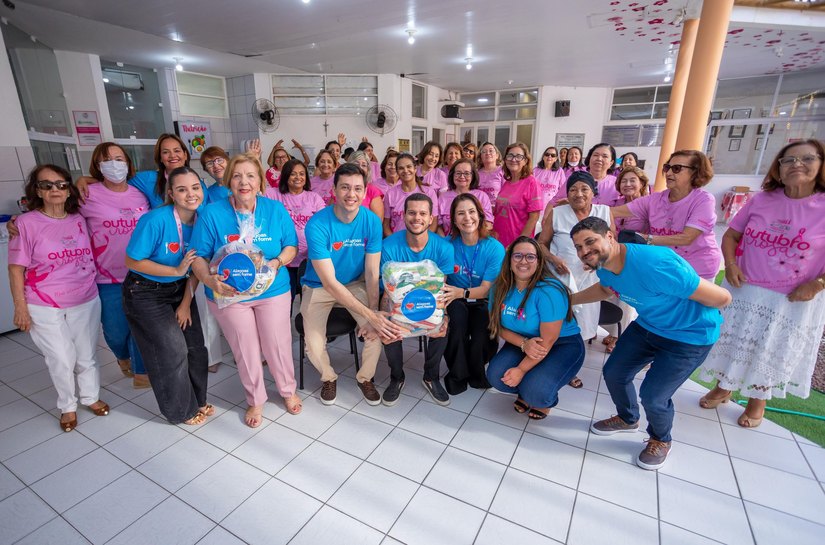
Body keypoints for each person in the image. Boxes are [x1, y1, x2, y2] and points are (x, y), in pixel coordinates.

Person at [570, 217, 731, 470]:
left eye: (590, 242)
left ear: (610, 236)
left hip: (690, 336)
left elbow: (723, 297)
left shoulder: (657, 264)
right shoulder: (603, 264)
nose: (584, 251)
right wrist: (570, 299)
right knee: (614, 372)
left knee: (654, 396)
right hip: (649, 326)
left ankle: (660, 439)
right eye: (578, 247)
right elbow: (606, 289)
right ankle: (627, 418)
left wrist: (694, 319)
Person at [698, 140, 825, 428]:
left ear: (821, 164)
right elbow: (731, 236)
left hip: (790, 296)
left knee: (769, 347)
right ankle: (724, 386)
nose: (797, 165)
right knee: (731, 338)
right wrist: (730, 265)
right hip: (746, 286)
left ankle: (758, 400)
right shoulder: (762, 199)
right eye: (788, 160)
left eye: (807, 158)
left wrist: (817, 284)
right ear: (778, 168)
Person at [190, 153, 299, 427]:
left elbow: (291, 246)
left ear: (260, 181)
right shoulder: (212, 213)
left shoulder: (274, 210)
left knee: (277, 343)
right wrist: (210, 281)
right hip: (228, 294)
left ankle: (287, 390)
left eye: (250, 175)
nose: (244, 182)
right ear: (229, 181)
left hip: (272, 289)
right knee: (245, 348)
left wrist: (275, 263)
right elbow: (199, 256)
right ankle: (255, 399)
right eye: (237, 176)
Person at [9, 165, 108, 432]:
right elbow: (16, 268)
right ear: (37, 191)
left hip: (85, 297)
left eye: (61, 184)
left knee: (86, 354)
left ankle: (90, 397)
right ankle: (67, 405)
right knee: (61, 358)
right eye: (47, 185)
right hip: (44, 303)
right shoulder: (25, 224)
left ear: (68, 190)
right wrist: (20, 307)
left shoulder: (78, 219)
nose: (55, 190)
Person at [301, 163, 404, 406]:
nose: (351, 194)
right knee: (313, 344)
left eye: (357, 188)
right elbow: (329, 281)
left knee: (376, 331)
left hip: (355, 283)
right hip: (319, 286)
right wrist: (370, 313)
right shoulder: (317, 225)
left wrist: (373, 312)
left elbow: (371, 272)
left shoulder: (371, 221)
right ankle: (328, 377)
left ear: (365, 191)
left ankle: (364, 377)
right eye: (345, 187)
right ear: (334, 190)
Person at [123, 166, 211, 426]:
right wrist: (174, 269)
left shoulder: (204, 219)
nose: (190, 194)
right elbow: (132, 260)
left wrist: (185, 303)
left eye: (195, 188)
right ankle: (180, 411)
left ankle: (198, 400)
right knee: (173, 350)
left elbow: (197, 265)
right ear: (171, 193)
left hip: (181, 289)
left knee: (196, 348)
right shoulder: (155, 220)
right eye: (182, 189)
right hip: (145, 292)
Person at [486, 236, 585, 420]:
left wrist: (521, 370)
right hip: (523, 341)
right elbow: (496, 325)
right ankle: (526, 389)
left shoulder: (549, 290)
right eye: (518, 256)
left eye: (530, 257)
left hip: (561, 345)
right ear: (509, 261)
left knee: (537, 392)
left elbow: (547, 340)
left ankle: (540, 397)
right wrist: (524, 344)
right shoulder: (499, 287)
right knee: (495, 375)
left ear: (539, 262)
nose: (523, 261)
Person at [80, 142, 150, 384]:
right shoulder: (87, 194)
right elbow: (60, 215)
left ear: (128, 163)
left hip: (142, 274)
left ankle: (142, 374)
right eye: (107, 159)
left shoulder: (140, 192)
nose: (114, 164)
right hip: (107, 277)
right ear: (98, 166)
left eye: (119, 159)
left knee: (141, 326)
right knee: (115, 330)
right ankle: (122, 356)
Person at [380, 193, 454, 406]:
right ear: (403, 216)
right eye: (412, 213)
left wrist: (440, 316)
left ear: (431, 218)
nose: (417, 218)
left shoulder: (444, 248)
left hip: (430, 302)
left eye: (423, 213)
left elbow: (440, 290)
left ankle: (431, 376)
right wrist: (384, 318)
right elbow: (387, 292)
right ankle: (396, 377)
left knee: (442, 326)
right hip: (397, 302)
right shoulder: (389, 246)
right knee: (388, 329)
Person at [611, 150, 722, 281]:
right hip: (667, 266)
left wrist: (644, 238)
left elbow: (686, 238)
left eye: (676, 168)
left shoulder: (704, 200)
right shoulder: (654, 200)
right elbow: (612, 212)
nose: (668, 173)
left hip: (698, 269)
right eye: (667, 167)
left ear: (695, 172)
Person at [441, 194, 505, 394]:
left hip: (482, 298)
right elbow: (441, 280)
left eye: (471, 212)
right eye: (461, 213)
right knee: (456, 326)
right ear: (453, 220)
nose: (467, 218)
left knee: (481, 332)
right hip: (454, 298)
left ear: (480, 214)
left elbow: (486, 288)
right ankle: (457, 374)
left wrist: (462, 292)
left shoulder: (494, 247)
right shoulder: (447, 245)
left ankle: (477, 372)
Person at [264, 158, 325, 304]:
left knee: (308, 304)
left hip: (308, 260)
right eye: (293, 174)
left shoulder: (314, 197)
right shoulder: (273, 194)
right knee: (285, 302)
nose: (298, 177)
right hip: (282, 260)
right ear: (285, 176)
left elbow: (323, 225)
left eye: (302, 174)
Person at [493, 142, 543, 248]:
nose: (513, 159)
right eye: (510, 155)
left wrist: (518, 243)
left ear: (525, 161)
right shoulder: (507, 183)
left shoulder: (531, 182)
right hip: (498, 240)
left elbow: (534, 217)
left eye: (518, 156)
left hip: (516, 243)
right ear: (505, 159)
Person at [383, 152, 439, 235]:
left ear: (415, 168)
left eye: (409, 167)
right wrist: (394, 242)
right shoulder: (390, 194)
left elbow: (434, 222)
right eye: (401, 168)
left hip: (422, 243)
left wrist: (422, 241)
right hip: (397, 244)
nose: (405, 171)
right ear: (397, 171)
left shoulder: (429, 192)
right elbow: (386, 224)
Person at [436, 159, 493, 236]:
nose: (462, 176)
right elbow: (438, 226)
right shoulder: (443, 197)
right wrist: (445, 243)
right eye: (458, 173)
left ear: (473, 176)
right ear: (452, 175)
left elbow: (488, 224)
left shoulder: (482, 196)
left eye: (466, 173)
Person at [348, 150, 384, 219]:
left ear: (368, 170)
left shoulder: (373, 191)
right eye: (356, 164)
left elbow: (377, 223)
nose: (360, 168)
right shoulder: (340, 188)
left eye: (364, 165)